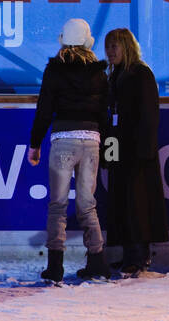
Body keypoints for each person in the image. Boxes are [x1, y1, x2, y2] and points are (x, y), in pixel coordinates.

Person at [28, 19, 110, 283]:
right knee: (88, 205)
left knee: (58, 206)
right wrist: (106, 141)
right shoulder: (99, 72)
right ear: (88, 40)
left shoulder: (54, 70)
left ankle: (55, 267)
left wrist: (35, 143)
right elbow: (104, 112)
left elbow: (44, 109)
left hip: (63, 139)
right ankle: (97, 261)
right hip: (92, 140)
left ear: (63, 39)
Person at [102, 28, 169, 276]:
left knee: (137, 203)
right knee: (120, 201)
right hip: (118, 148)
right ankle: (128, 254)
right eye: (108, 47)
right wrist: (108, 154)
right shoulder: (114, 75)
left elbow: (150, 116)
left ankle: (139, 256)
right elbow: (110, 118)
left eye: (114, 46)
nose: (110, 52)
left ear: (127, 47)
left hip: (137, 151)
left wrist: (144, 151)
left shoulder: (141, 73)